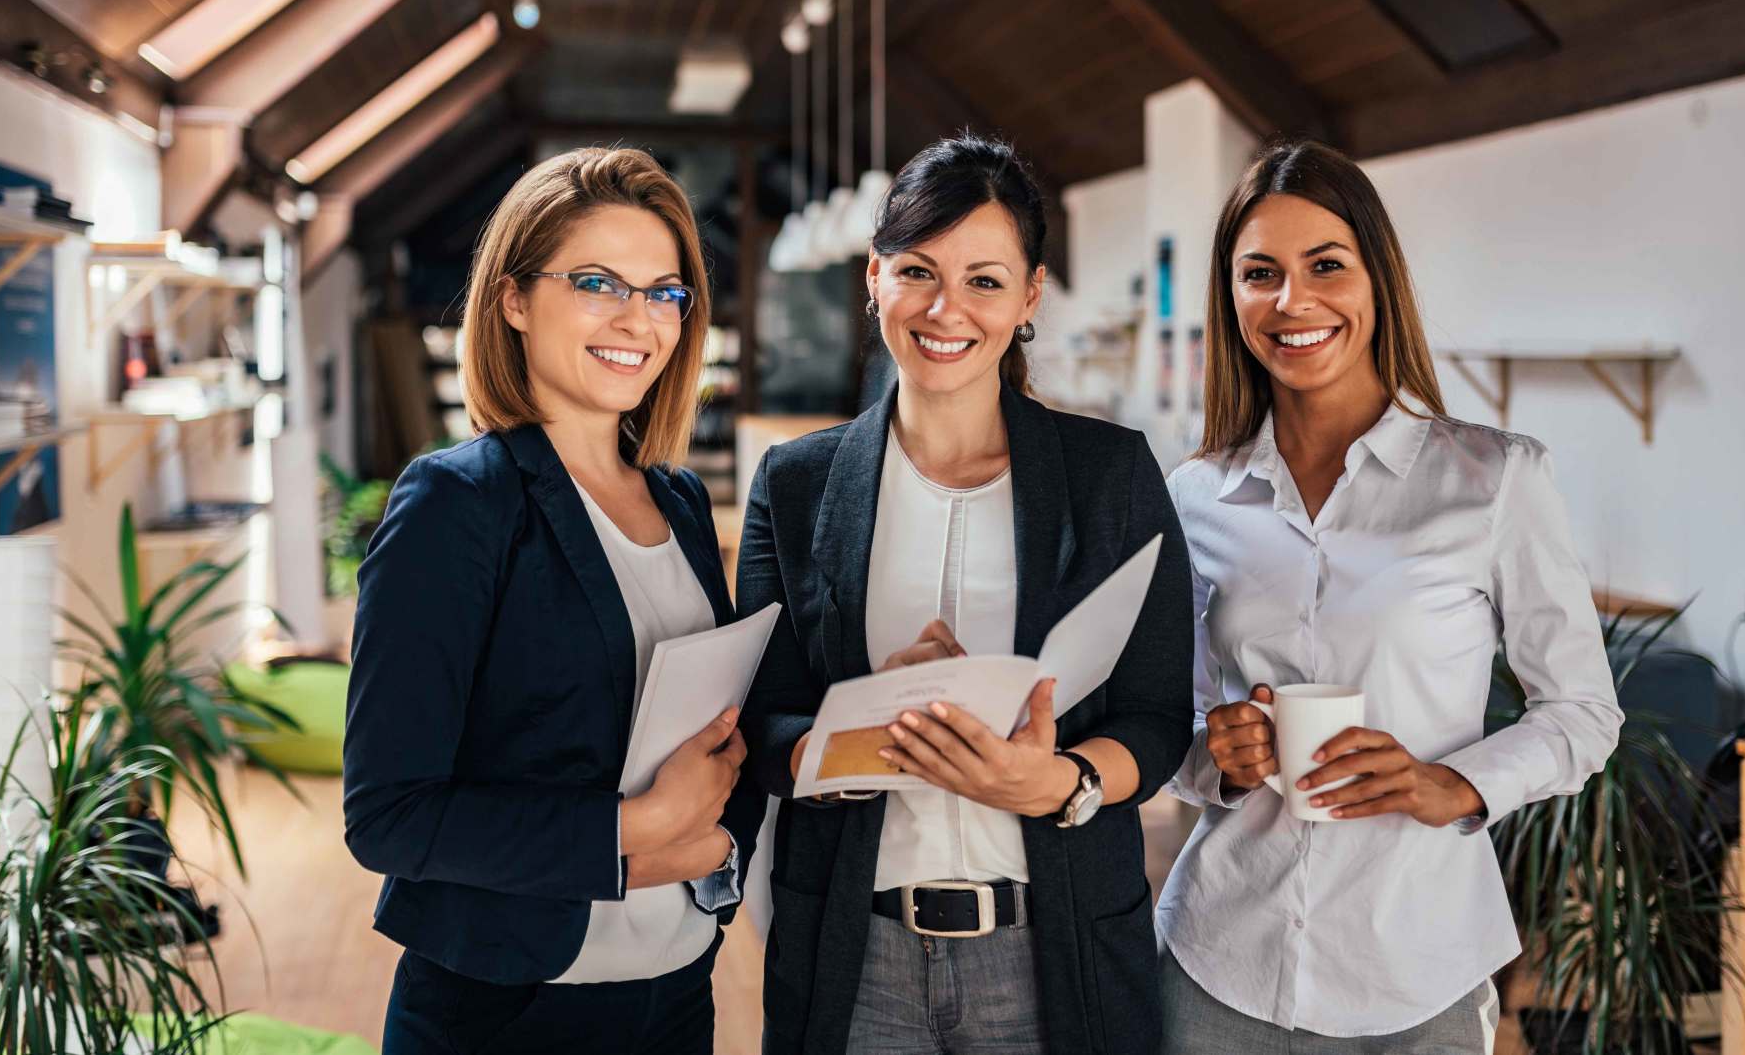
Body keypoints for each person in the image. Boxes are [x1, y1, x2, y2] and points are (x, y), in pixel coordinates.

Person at [1156, 139, 1624, 1054]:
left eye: (1326, 265)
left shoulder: (1494, 479)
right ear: (1231, 296)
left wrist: (1451, 784)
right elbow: (1167, 727)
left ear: (1378, 278)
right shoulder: (1196, 495)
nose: (1292, 301)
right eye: (1260, 274)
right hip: (1219, 962)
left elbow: (1583, 712)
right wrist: (1220, 758)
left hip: (1417, 973)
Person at [738, 134, 1195, 1054]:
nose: (947, 309)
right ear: (875, 279)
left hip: (1050, 950)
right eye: (918, 271)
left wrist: (1059, 782)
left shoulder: (1111, 476)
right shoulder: (795, 483)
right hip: (855, 951)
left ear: (1030, 297)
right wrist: (858, 730)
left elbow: (1155, 716)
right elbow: (760, 722)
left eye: (984, 281)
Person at [344, 147, 766, 1055]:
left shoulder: (680, 500)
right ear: (514, 300)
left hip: (676, 994)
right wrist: (635, 833)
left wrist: (721, 847)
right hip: (508, 1012)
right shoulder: (458, 503)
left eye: (665, 292)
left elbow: (717, 729)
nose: (637, 319)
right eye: (597, 283)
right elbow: (389, 817)